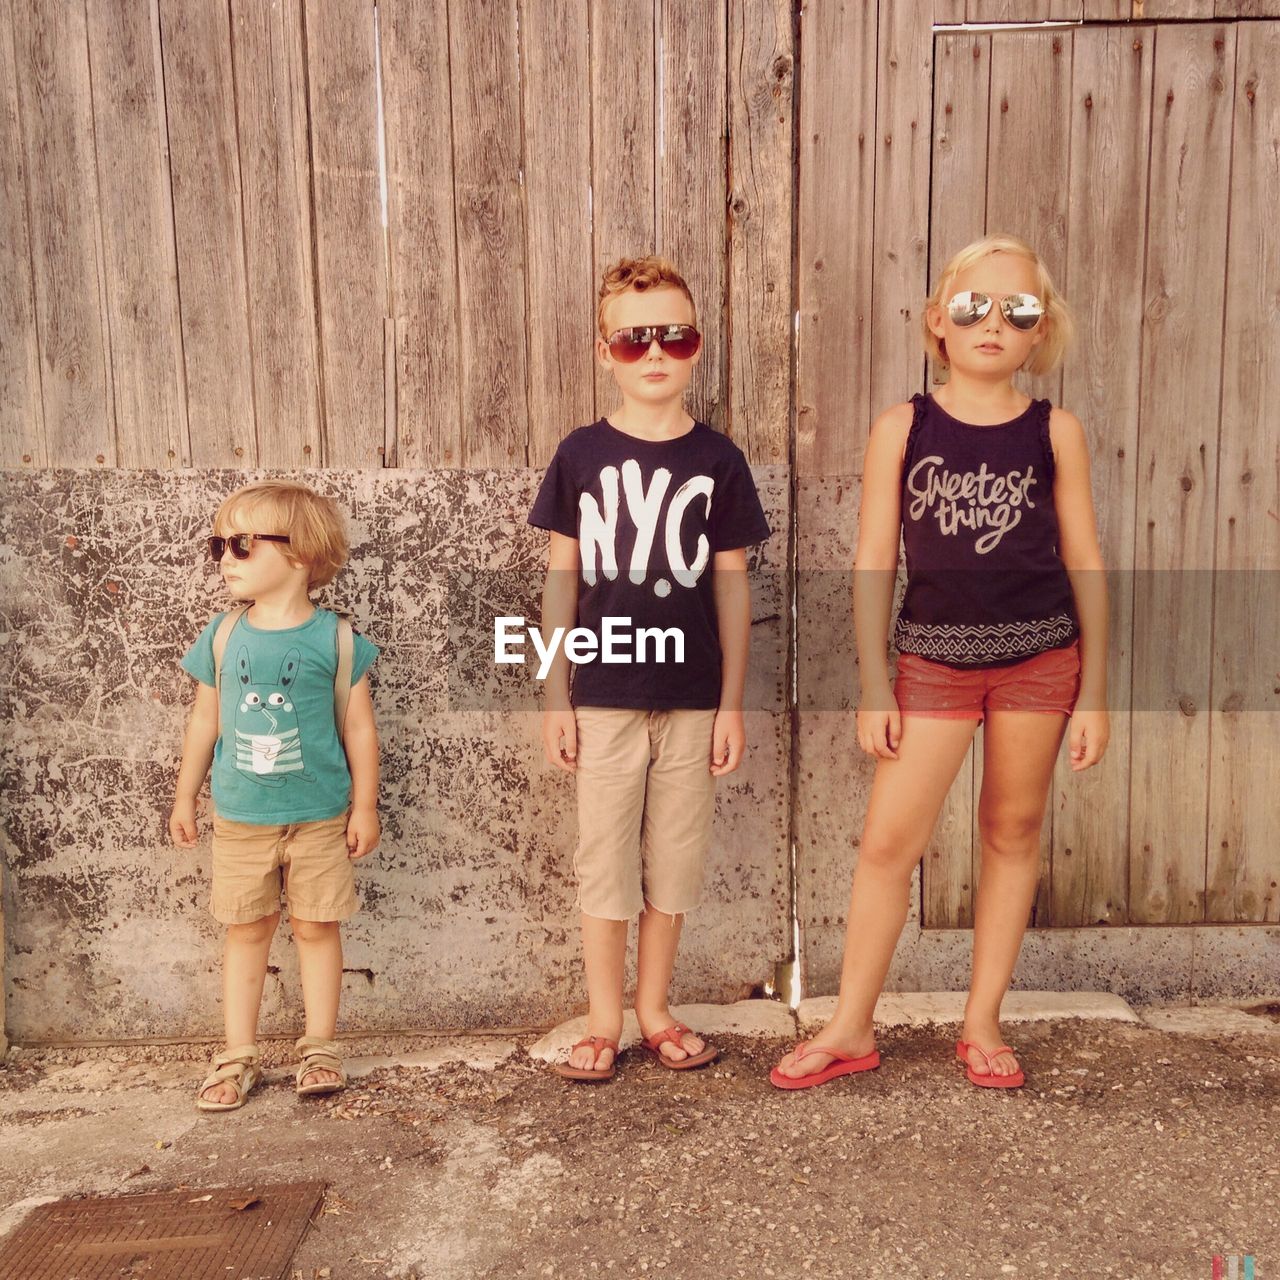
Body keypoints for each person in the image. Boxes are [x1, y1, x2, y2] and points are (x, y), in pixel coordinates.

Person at [773, 233, 1109, 1091]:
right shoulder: (905, 425)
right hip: (931, 662)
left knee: (1011, 830)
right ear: (939, 323)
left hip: (1041, 660)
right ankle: (850, 1025)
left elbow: (1086, 564)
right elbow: (874, 561)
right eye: (973, 307)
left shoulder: (1053, 431)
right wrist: (874, 683)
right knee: (889, 841)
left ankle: (982, 1019)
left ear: (1041, 332)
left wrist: (1097, 691)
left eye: (1017, 310)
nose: (993, 322)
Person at [529, 256, 771, 1080]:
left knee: (675, 856)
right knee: (605, 857)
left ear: (698, 346)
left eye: (675, 334)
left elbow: (733, 588)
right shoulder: (580, 454)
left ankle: (654, 1007)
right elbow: (562, 580)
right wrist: (553, 694)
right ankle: (604, 1018)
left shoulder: (719, 461)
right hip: (602, 693)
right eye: (634, 340)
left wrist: (732, 702)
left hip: (693, 697)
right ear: (605, 352)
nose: (656, 353)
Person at [170, 481, 380, 1110]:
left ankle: (320, 1048)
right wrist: (186, 797)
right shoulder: (223, 637)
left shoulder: (336, 641)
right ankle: (236, 1056)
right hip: (241, 818)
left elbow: (360, 727)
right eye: (219, 545)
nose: (224, 558)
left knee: (317, 928)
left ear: (300, 555)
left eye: (240, 544)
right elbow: (204, 721)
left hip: (319, 818)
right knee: (247, 930)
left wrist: (365, 804)